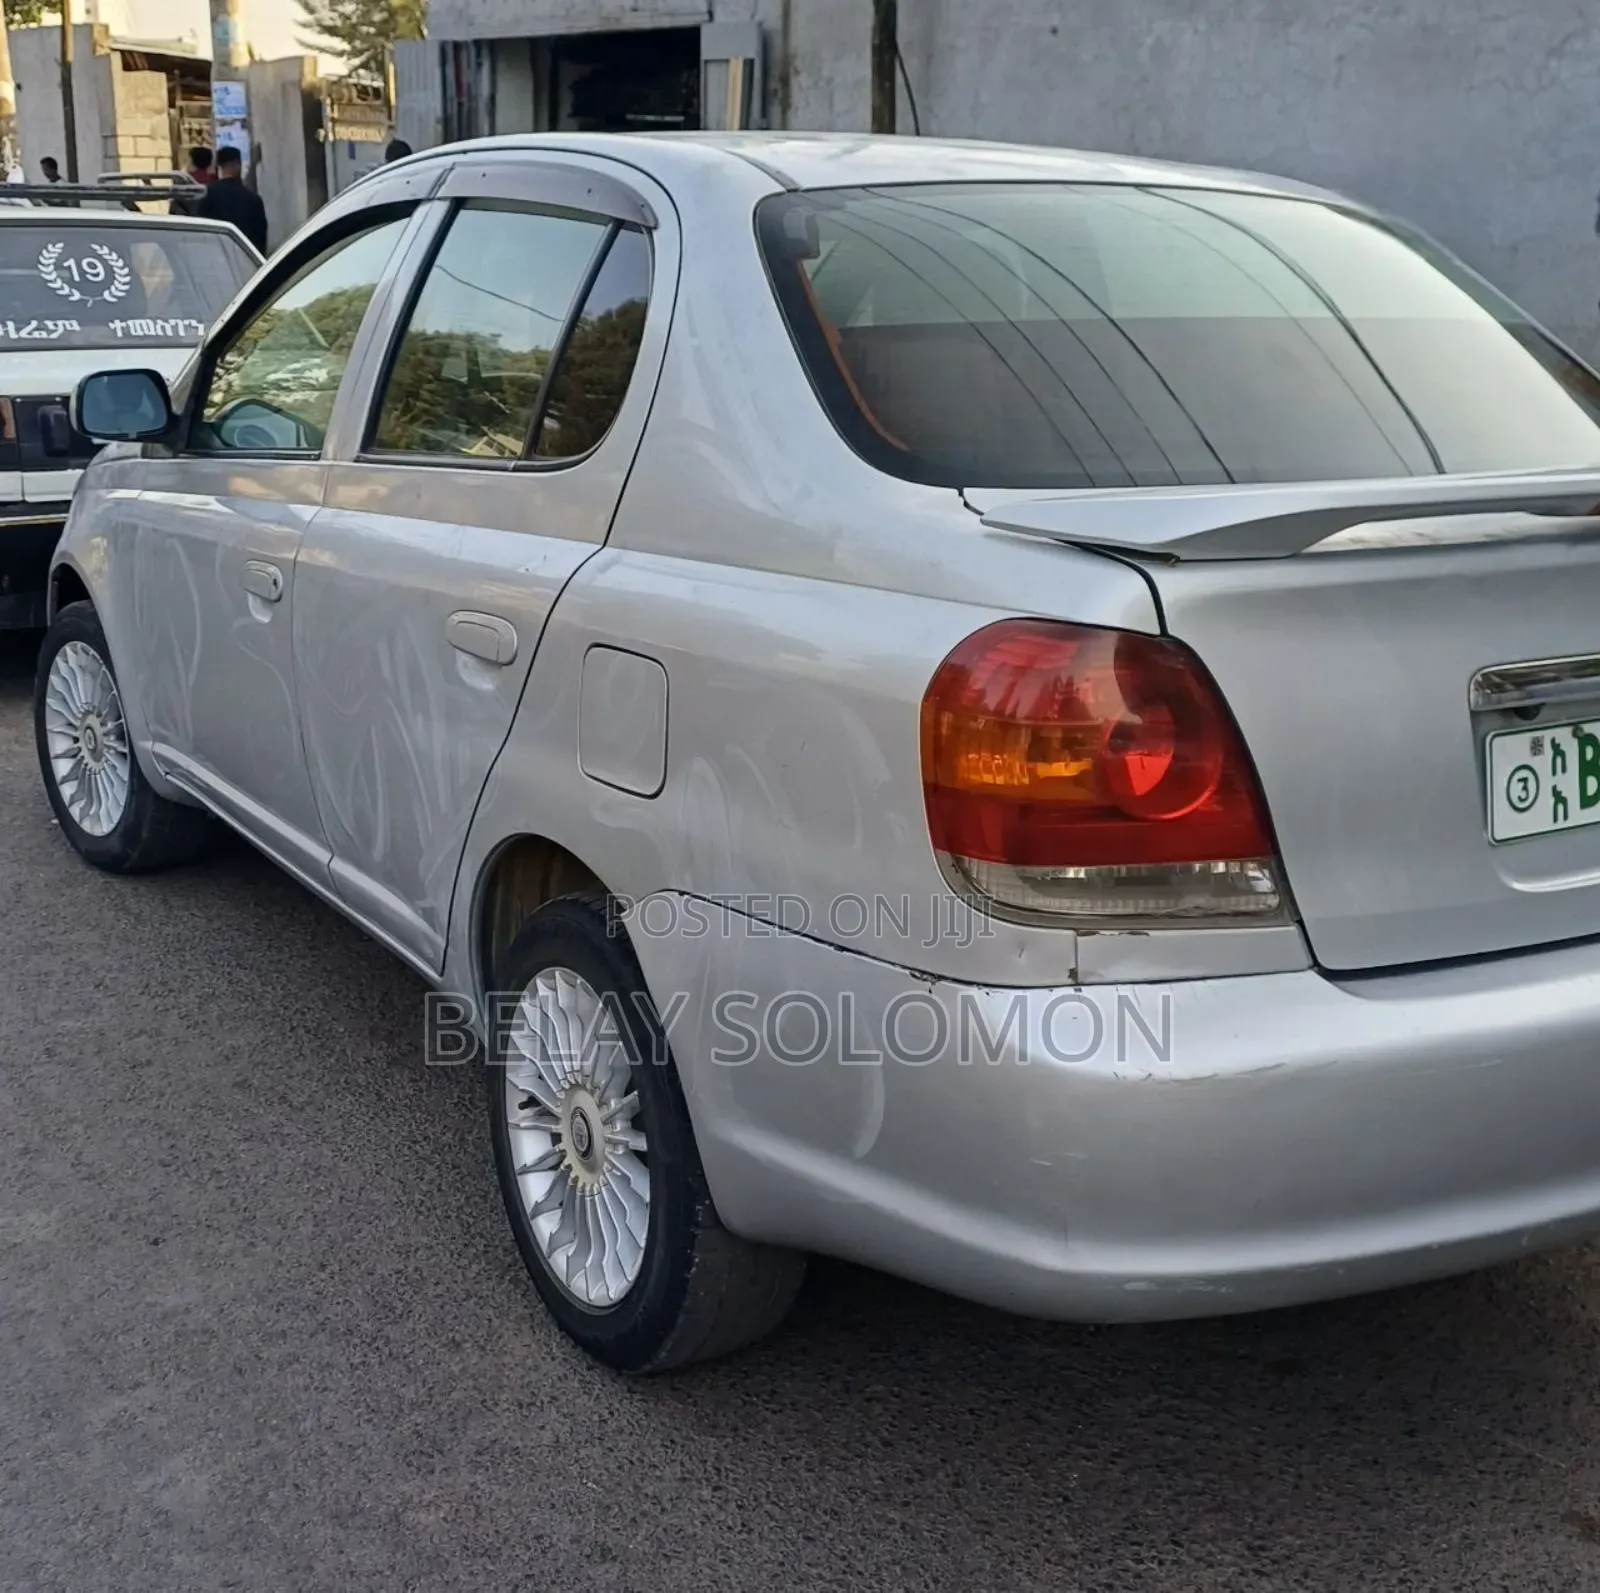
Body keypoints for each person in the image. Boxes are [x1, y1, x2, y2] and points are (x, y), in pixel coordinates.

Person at [196, 145, 268, 255]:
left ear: (218, 166)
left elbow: (201, 233)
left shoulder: (206, 196)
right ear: (238, 165)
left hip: (216, 258)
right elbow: (261, 239)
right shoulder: (254, 199)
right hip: (246, 260)